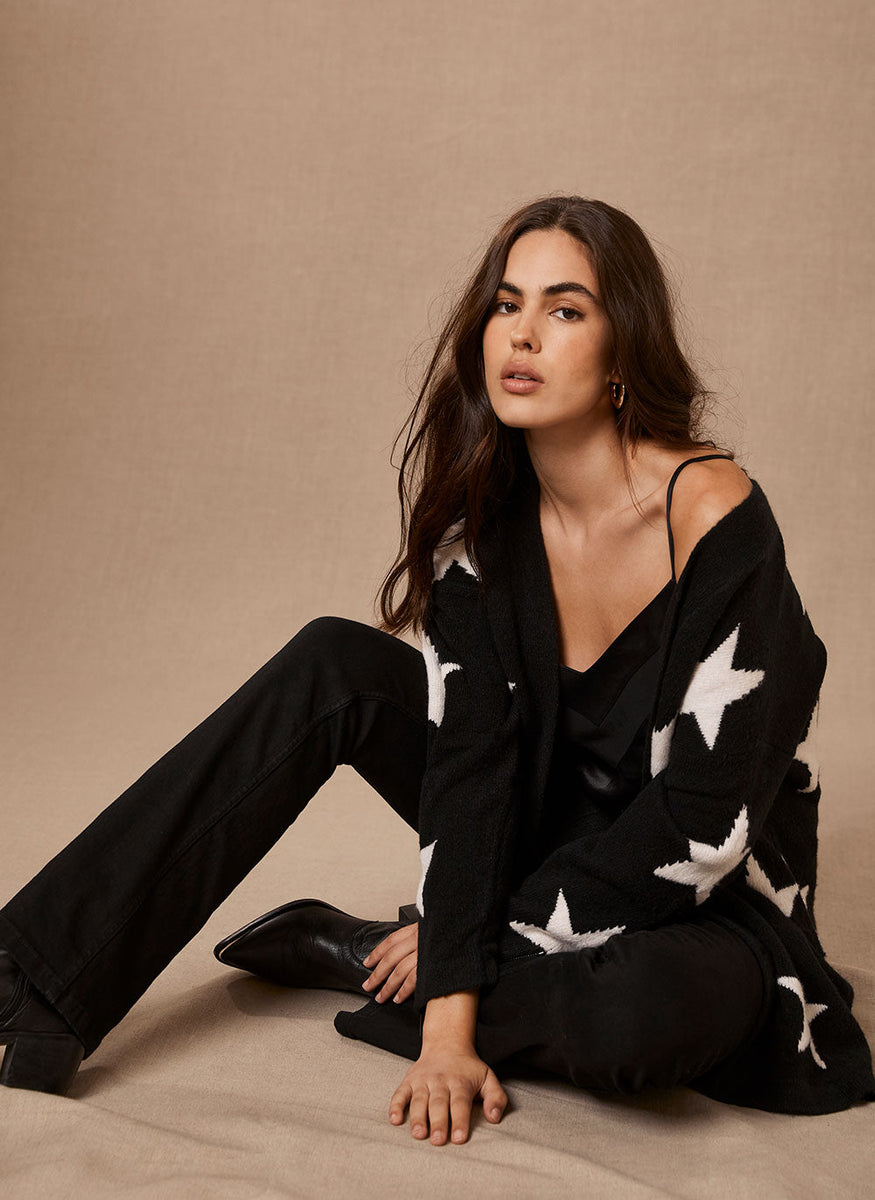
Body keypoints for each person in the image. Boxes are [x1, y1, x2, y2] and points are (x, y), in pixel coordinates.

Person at [1, 196, 873, 1145]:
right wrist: (448, 1039)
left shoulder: (710, 515)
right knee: (333, 663)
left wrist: (470, 945)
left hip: (696, 896)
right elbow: (471, 776)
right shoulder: (484, 533)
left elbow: (704, 822)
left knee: (639, 1016)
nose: (522, 335)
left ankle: (367, 955)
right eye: (506, 305)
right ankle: (31, 982)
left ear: (624, 350)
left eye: (565, 309)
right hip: (529, 838)